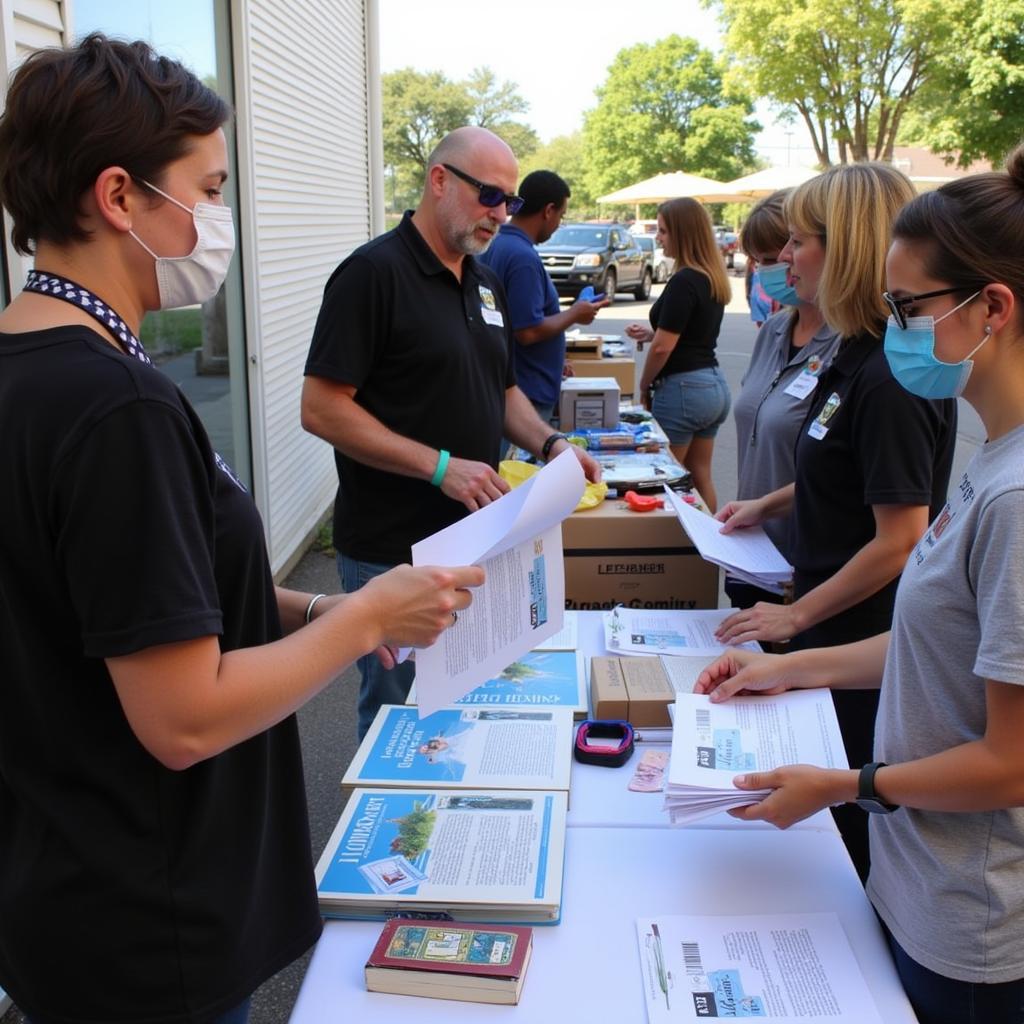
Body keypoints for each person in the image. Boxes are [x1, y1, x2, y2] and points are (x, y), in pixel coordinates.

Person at [0, 35, 483, 1024]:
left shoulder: (32, 369)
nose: (220, 219)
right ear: (119, 196)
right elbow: (182, 717)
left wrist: (320, 603)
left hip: (63, 880)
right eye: (208, 189)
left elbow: (136, 604)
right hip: (150, 914)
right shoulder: (115, 407)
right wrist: (363, 621)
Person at [696, 146, 1024, 1024]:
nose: (895, 326)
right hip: (919, 878)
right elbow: (938, 646)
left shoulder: (1016, 496)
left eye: (909, 307)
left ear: (992, 308)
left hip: (970, 921)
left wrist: (847, 786)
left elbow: (1012, 762)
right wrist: (794, 666)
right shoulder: (993, 459)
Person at [301, 127, 599, 739]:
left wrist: (551, 444)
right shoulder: (371, 275)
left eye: (510, 202)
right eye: (490, 194)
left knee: (463, 701)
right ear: (440, 180)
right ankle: (387, 832)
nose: (501, 213)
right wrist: (441, 466)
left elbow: (504, 391)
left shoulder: (484, 281)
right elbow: (322, 409)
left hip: (475, 538)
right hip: (393, 547)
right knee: (398, 715)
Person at [713, 163, 957, 881]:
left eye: (798, 241)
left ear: (845, 245)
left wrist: (793, 620)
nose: (783, 258)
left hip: (862, 651)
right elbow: (841, 470)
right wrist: (770, 503)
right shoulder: (850, 354)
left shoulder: (890, 376)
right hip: (826, 631)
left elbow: (900, 536)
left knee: (840, 852)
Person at [728, 190, 840, 609]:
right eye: (756, 260)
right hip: (750, 552)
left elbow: (842, 472)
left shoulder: (849, 347)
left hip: (804, 568)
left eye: (774, 255)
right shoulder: (773, 330)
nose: (767, 270)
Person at [625, 197, 731, 511]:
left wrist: (644, 385)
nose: (658, 238)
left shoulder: (684, 280)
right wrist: (651, 332)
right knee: (700, 475)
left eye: (663, 231)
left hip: (684, 388)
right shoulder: (709, 276)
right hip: (713, 387)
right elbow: (689, 334)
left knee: (665, 479)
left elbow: (663, 347)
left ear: (682, 233)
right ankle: (709, 549)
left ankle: (675, 554)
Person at [479, 169, 609, 423]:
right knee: (522, 462)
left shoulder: (496, 244)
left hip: (509, 384)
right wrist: (575, 313)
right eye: (561, 215)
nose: (559, 223)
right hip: (527, 394)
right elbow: (527, 331)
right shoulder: (522, 258)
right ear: (548, 211)